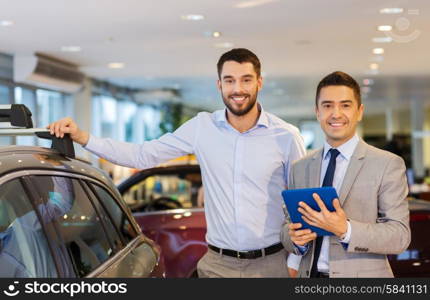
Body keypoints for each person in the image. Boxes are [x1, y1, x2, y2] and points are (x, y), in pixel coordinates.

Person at [48, 48, 306, 278]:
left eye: (246, 80)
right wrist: (83, 137)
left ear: (259, 82)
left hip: (272, 265)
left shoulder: (285, 136)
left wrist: (295, 261)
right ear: (219, 85)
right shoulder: (202, 128)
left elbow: (300, 204)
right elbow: (142, 155)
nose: (238, 89)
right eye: (230, 80)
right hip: (217, 265)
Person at [281, 71, 410, 278]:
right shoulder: (300, 167)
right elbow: (286, 228)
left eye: (345, 105)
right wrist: (295, 239)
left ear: (359, 112)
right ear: (317, 112)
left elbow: (400, 236)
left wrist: (345, 229)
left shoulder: (388, 164)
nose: (336, 113)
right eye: (327, 105)